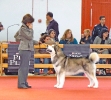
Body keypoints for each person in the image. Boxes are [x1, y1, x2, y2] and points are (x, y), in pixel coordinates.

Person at [18, 14, 39, 89]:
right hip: (24, 49)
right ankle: (21, 83)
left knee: (26, 68)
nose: (31, 24)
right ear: (27, 22)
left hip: (28, 49)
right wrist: (31, 29)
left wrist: (37, 42)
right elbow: (29, 37)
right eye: (30, 22)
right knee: (23, 67)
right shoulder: (23, 28)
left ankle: (24, 82)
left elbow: (30, 40)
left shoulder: (26, 28)